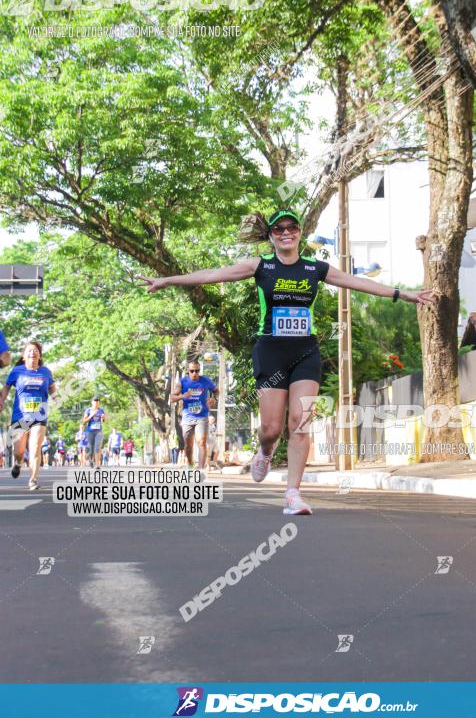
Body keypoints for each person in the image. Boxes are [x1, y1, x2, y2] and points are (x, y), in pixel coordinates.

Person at [140, 208, 435, 515]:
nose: (285, 232)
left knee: (300, 422)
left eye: (291, 227)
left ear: (299, 233)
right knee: (270, 428)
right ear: (270, 235)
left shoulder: (315, 268)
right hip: (271, 351)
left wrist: (403, 294)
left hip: (306, 352)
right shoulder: (261, 266)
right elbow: (214, 275)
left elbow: (356, 282)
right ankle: (265, 451)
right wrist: (167, 280)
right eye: (278, 228)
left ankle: (293, 494)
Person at [0, 340, 56, 491]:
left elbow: (52, 388)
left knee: (36, 447)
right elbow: (6, 388)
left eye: (36, 350)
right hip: (20, 416)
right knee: (18, 451)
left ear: (39, 355)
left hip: (39, 416)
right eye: (29, 350)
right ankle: (18, 463)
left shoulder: (45, 372)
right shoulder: (17, 371)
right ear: (24, 356)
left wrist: (56, 398)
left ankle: (33, 479)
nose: (33, 352)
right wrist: (2, 400)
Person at [170, 360, 219, 469]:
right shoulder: (182, 382)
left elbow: (216, 390)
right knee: (188, 446)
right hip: (188, 417)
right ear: (188, 371)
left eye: (197, 371)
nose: (195, 373)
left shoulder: (205, 381)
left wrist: (214, 398)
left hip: (202, 417)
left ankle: (200, 470)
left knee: (201, 442)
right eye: (192, 371)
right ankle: (190, 464)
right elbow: (172, 398)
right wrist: (182, 396)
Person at [82, 396, 106, 468]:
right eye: (95, 401)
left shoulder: (101, 410)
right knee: (91, 448)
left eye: (97, 401)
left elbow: (103, 421)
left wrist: (103, 418)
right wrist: (91, 415)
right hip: (90, 432)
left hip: (98, 431)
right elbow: (84, 421)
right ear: (92, 402)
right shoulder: (88, 410)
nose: (96, 403)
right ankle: (90, 460)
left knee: (97, 447)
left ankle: (97, 464)